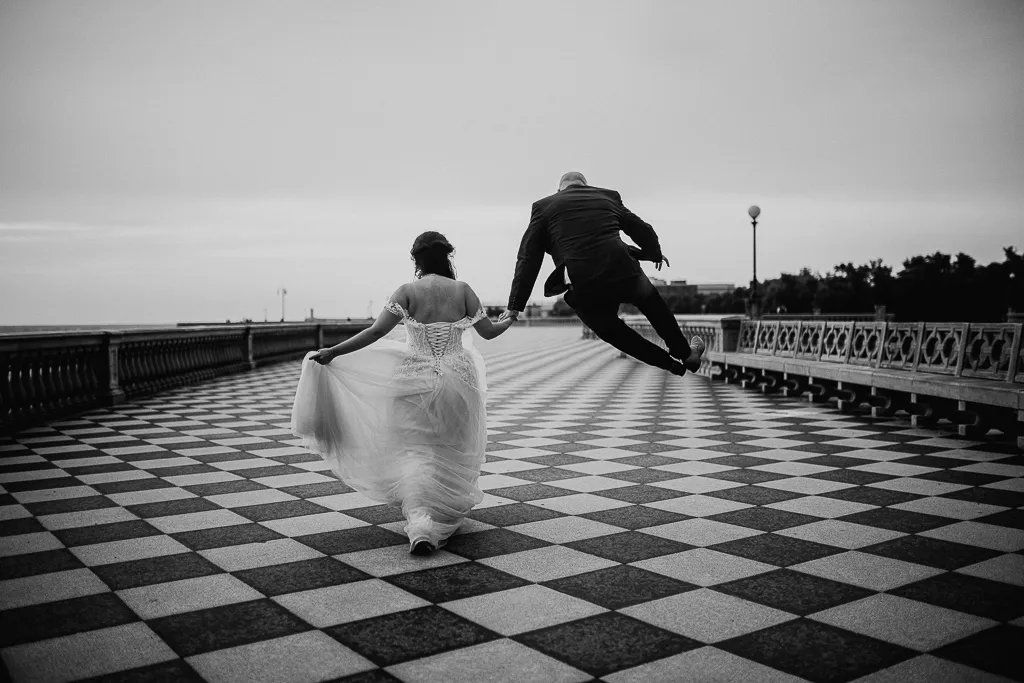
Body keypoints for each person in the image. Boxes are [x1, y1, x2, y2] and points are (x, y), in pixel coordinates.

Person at [291, 231, 514, 555]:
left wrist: (335, 352)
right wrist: (507, 320)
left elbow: (376, 331)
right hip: (459, 380)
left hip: (413, 378)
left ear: (416, 260)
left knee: (415, 448)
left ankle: (421, 520)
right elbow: (489, 333)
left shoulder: (407, 291)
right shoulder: (463, 290)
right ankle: (440, 513)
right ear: (447, 256)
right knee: (450, 447)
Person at [502, 171, 704, 375]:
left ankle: (667, 363)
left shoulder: (543, 207)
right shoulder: (608, 197)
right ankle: (687, 354)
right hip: (624, 270)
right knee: (653, 305)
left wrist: (515, 306)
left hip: (582, 282)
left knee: (612, 330)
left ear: (559, 189)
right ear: (586, 185)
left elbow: (528, 258)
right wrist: (654, 254)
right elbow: (642, 229)